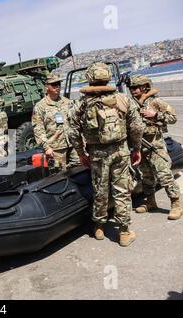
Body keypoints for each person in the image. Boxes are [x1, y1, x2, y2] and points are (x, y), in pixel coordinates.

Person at [68, 62, 144, 247]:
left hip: (96, 153)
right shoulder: (122, 99)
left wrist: (81, 153)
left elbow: (71, 131)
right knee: (122, 191)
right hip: (120, 151)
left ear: (89, 77)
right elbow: (136, 126)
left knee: (100, 189)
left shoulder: (82, 103)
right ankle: (124, 232)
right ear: (108, 76)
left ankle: (99, 226)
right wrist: (136, 148)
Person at [128, 74, 183, 220]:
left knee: (164, 175)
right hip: (140, 146)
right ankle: (151, 202)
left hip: (155, 145)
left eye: (135, 87)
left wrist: (156, 115)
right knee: (146, 176)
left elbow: (173, 118)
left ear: (145, 86)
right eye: (130, 87)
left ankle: (176, 204)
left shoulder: (156, 101)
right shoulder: (132, 104)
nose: (132, 90)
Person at [32, 72, 80, 170]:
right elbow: (38, 129)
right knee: (59, 175)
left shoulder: (67, 102)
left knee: (80, 170)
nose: (57, 87)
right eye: (54, 85)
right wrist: (46, 147)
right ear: (46, 87)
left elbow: (76, 121)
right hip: (55, 149)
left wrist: (81, 139)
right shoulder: (40, 106)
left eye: (59, 84)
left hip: (72, 144)